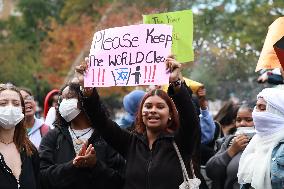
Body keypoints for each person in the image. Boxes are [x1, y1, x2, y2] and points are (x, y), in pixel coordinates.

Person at [76, 56, 201, 189]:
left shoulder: (181, 141)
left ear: (170, 114)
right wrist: (87, 89)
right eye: (148, 106)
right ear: (140, 113)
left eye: (160, 107)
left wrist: (175, 82)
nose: (153, 111)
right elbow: (101, 122)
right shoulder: (131, 143)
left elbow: (190, 117)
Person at [38, 82, 125, 189]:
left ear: (85, 100)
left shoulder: (107, 136)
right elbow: (42, 177)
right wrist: (72, 166)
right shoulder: (53, 137)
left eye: (69, 98)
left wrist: (95, 165)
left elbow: (119, 180)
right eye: (61, 99)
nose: (64, 103)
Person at [238, 88, 284, 189]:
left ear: (277, 112)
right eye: (256, 107)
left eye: (262, 108)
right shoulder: (257, 140)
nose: (256, 112)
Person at [206, 103, 255, 189]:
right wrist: (231, 151)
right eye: (238, 120)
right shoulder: (228, 142)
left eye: (248, 120)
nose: (242, 124)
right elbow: (210, 171)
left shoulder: (266, 144)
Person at [0, 84, 40, 189]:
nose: (10, 108)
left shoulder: (29, 150)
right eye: (3, 103)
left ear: (21, 109)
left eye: (16, 104)